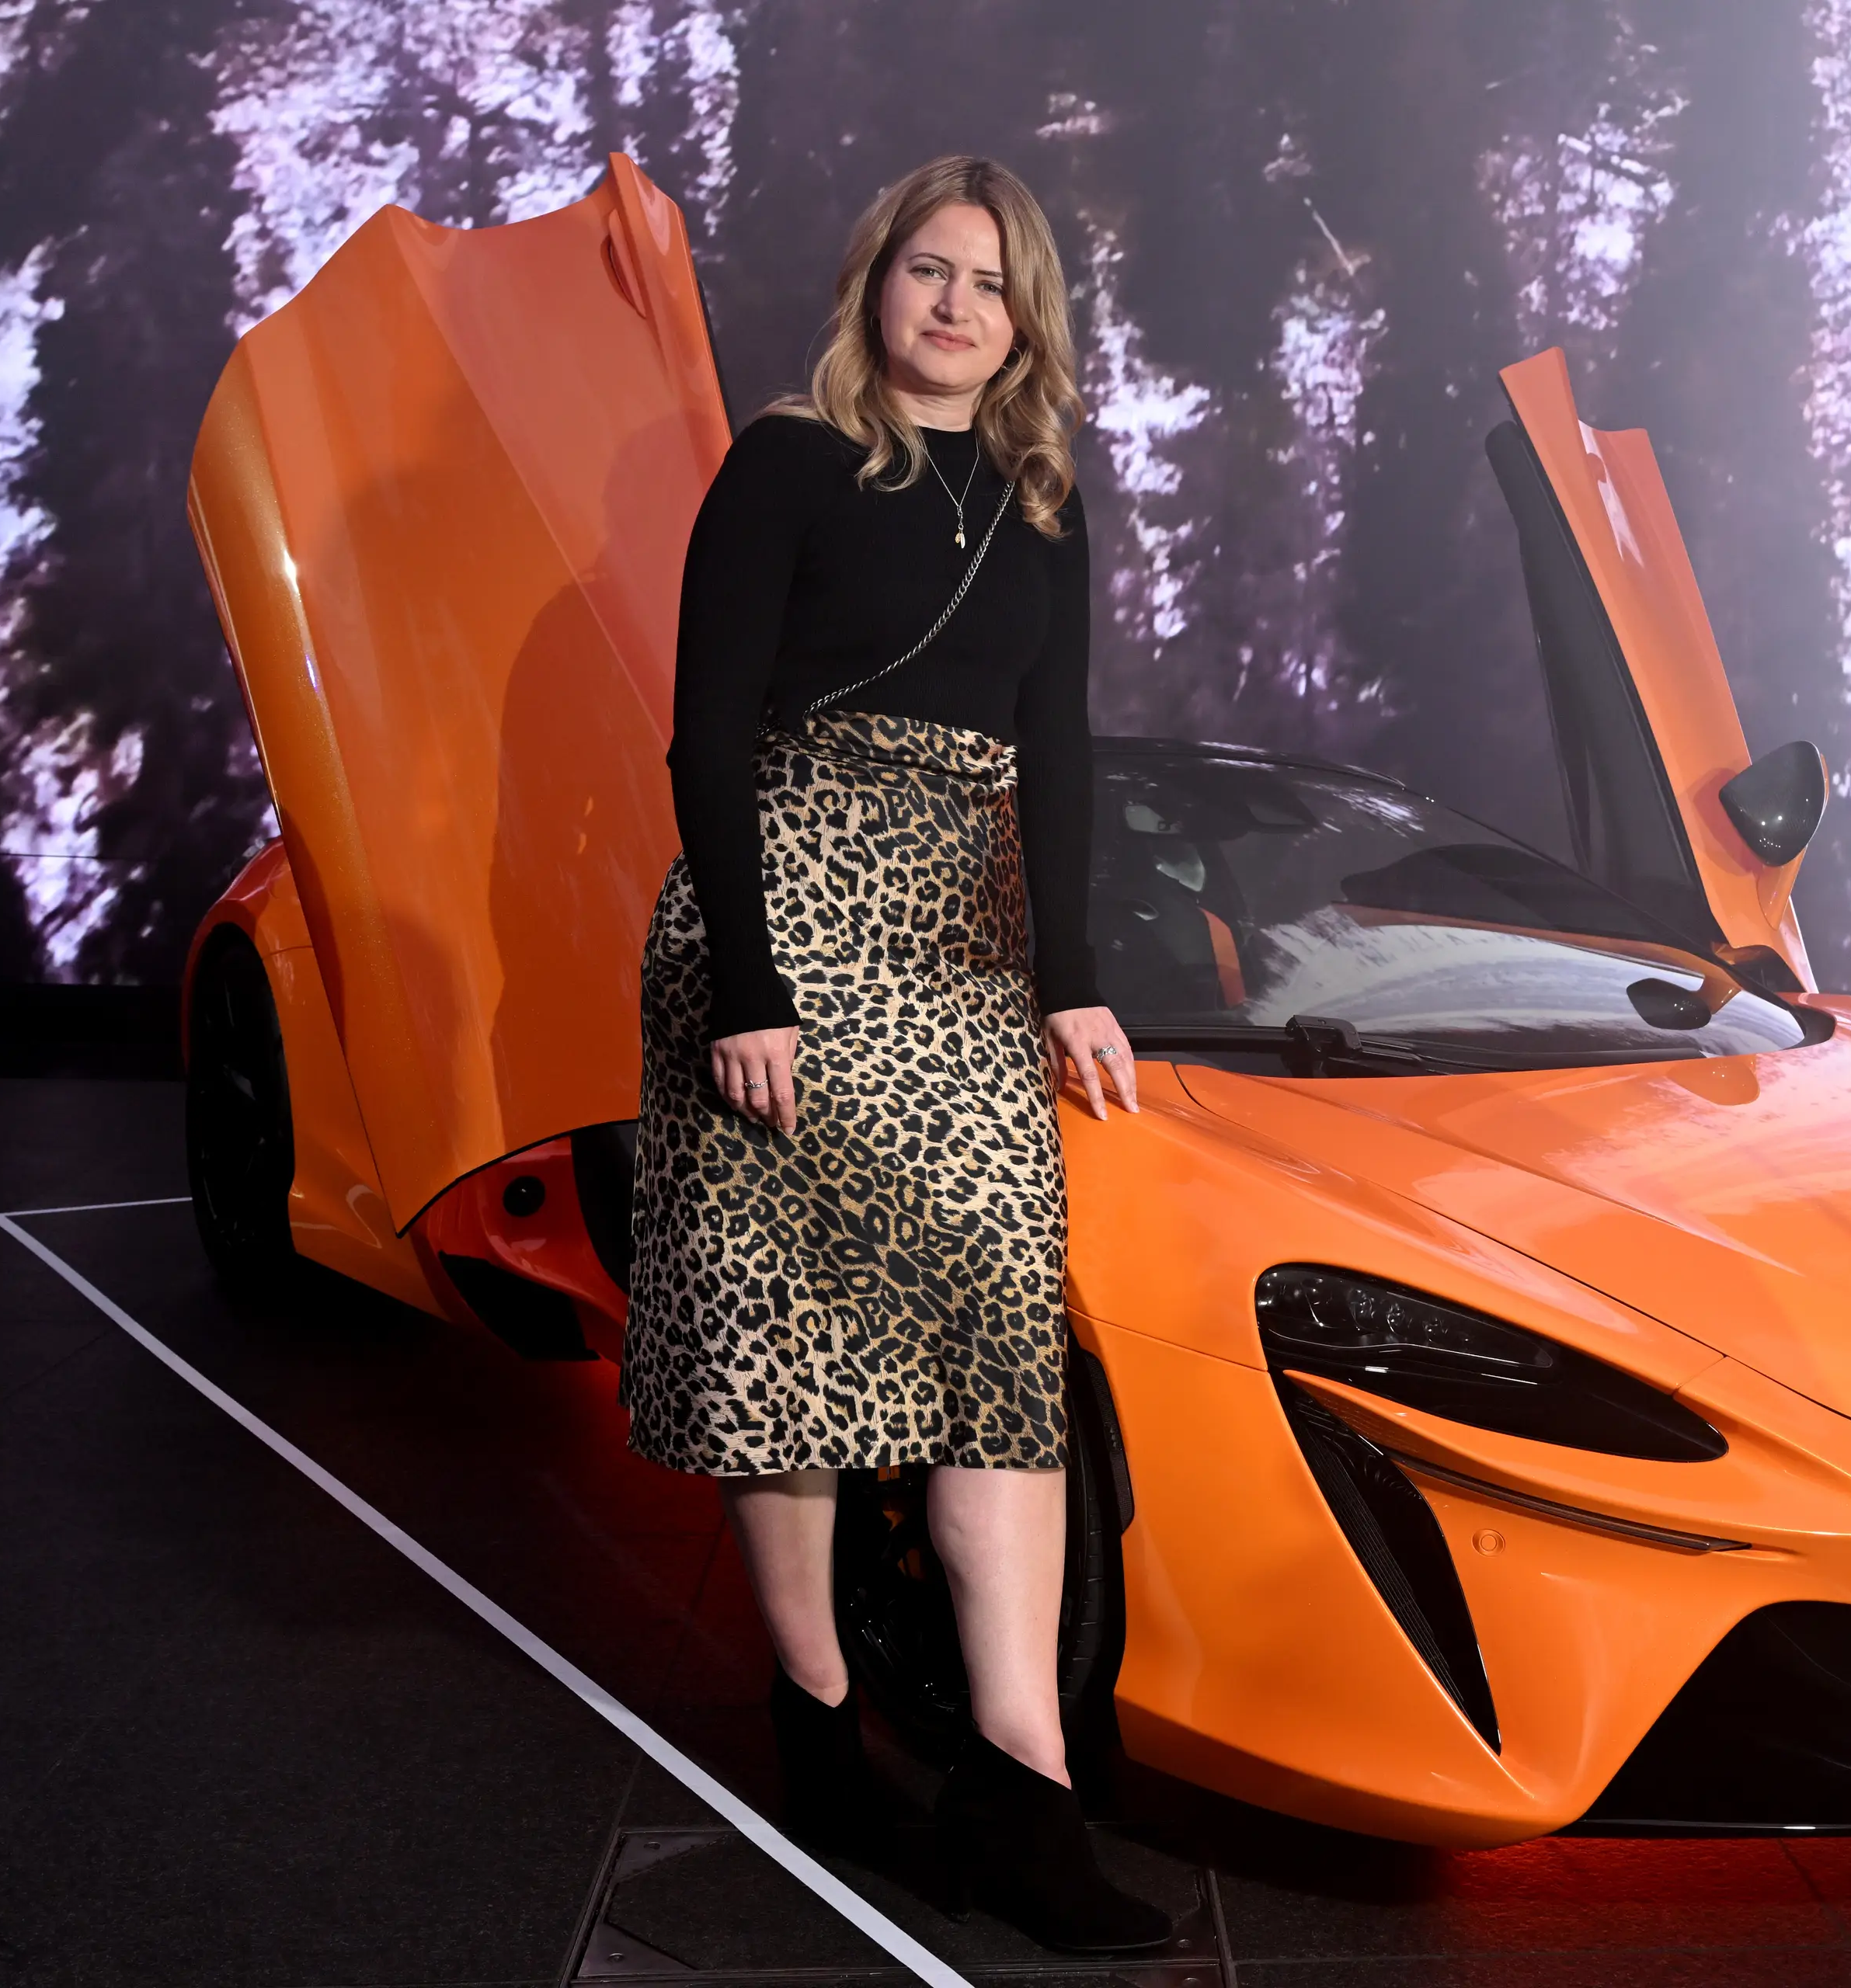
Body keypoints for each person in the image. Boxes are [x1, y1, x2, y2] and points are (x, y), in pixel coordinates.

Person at [621, 155, 1166, 1955]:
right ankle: (815, 1702)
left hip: (958, 941)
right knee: (795, 1337)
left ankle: (1021, 1783)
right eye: (926, 271)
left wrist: (1072, 976)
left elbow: (1062, 751)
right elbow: (706, 738)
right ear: (876, 287)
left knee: (1000, 1324)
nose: (952, 306)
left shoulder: (1044, 495)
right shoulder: (785, 460)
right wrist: (749, 987)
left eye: (990, 285)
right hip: (779, 908)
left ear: (1028, 324)